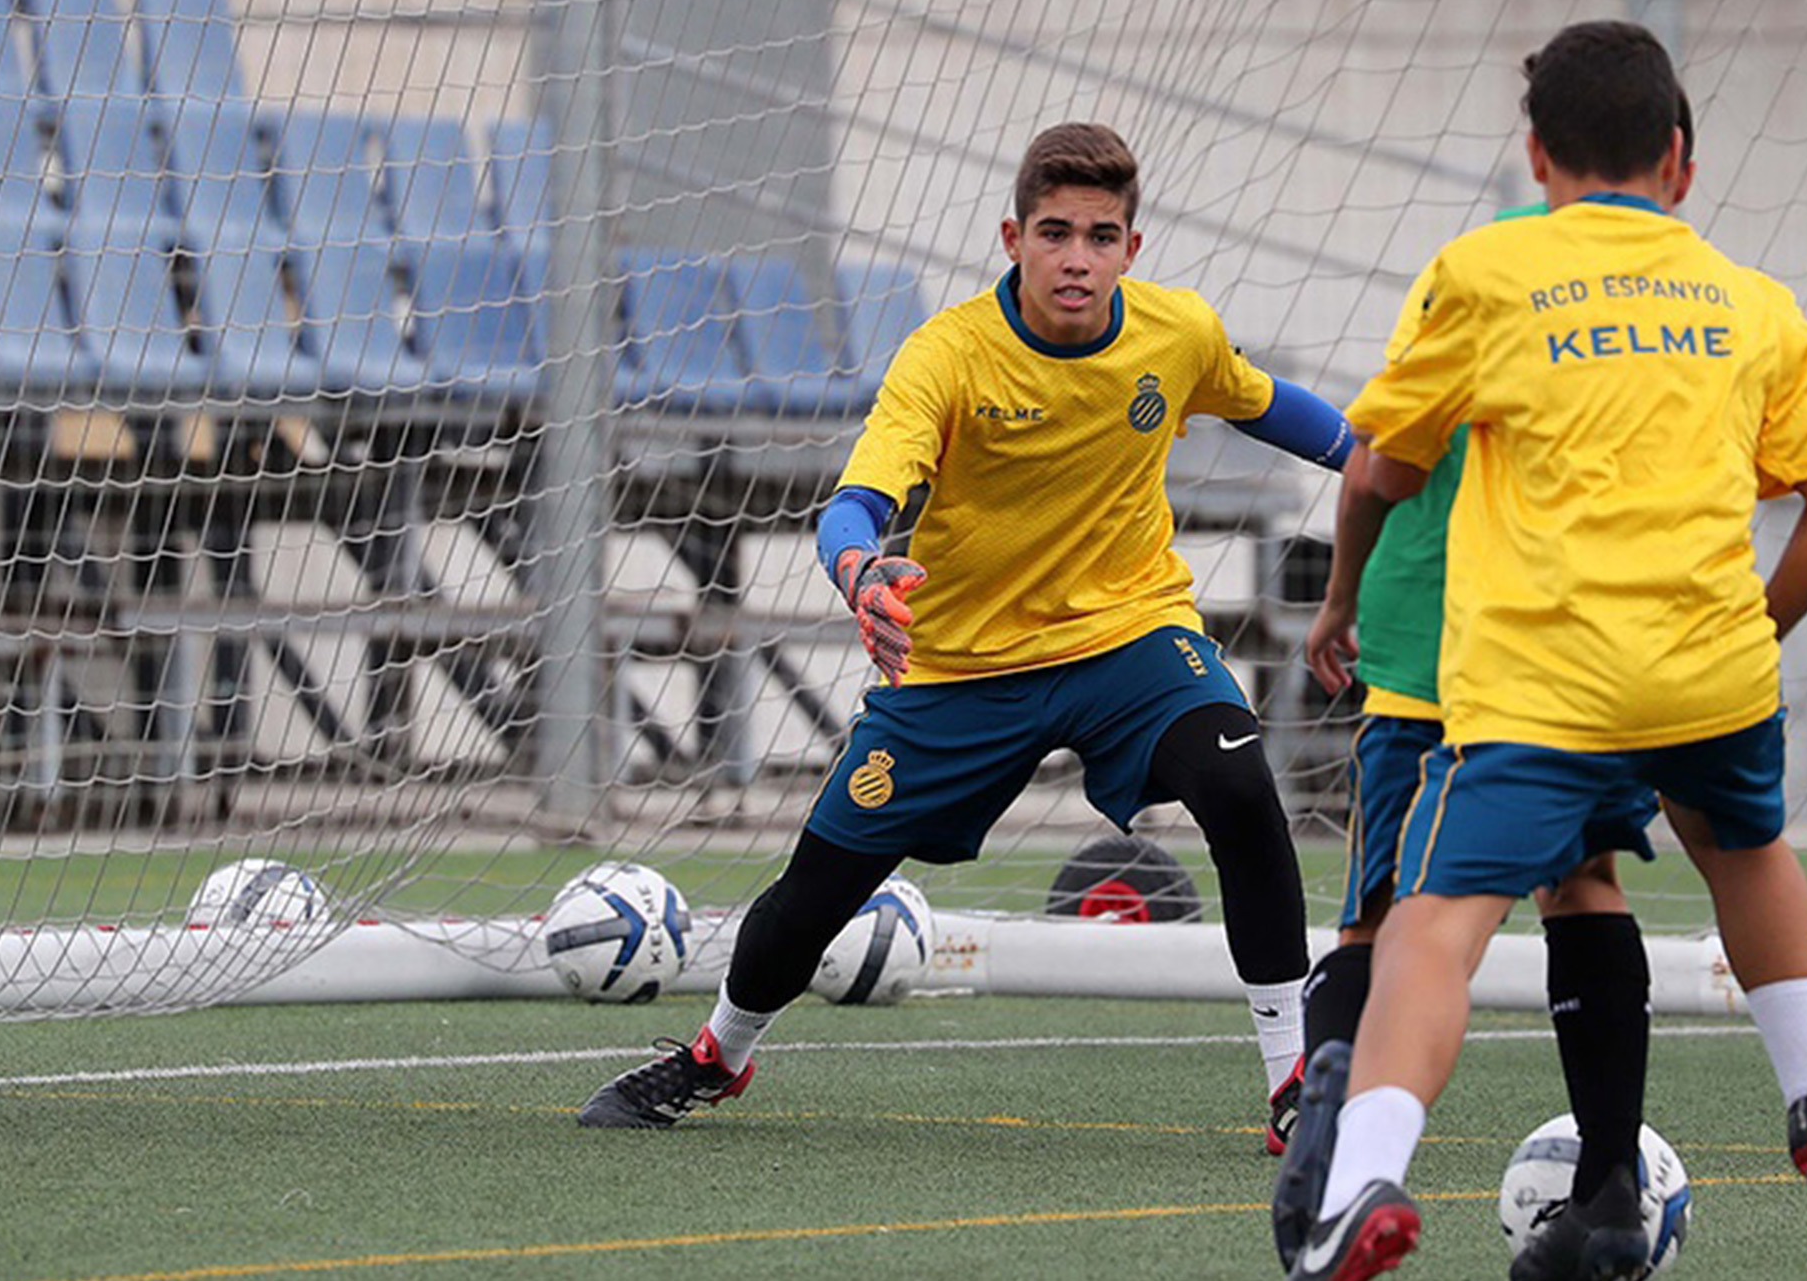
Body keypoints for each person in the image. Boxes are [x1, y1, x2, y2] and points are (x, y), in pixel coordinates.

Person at [1275, 88, 1807, 1278]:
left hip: (1534, 680)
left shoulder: (1486, 273)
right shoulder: (1746, 296)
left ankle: (1362, 1178)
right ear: (1679, 163)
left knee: (1429, 925)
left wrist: (1338, 600)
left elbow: (1370, 473)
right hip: (1709, 672)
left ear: (1538, 152)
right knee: (1742, 853)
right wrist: (1770, 625)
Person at [575, 122, 1353, 1152]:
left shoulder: (1177, 334)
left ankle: (1292, 1080)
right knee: (814, 894)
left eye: (1100, 235)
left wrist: (1377, 460)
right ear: (1011, 236)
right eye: (1053, 232)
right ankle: (718, 1053)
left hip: (1130, 641)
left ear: (1132, 246)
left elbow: (1270, 407)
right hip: (960, 669)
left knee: (1242, 789)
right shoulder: (946, 354)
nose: (1076, 257)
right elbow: (853, 505)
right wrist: (861, 574)